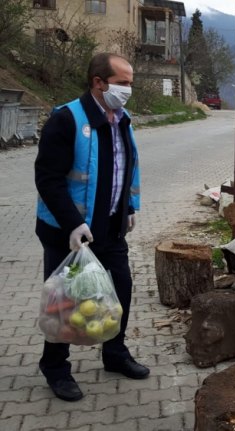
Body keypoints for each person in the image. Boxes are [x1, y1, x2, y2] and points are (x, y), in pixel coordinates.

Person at [35, 52, 149, 402]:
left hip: (110, 228)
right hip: (67, 233)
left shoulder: (122, 119)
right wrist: (72, 223)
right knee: (65, 303)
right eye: (122, 83)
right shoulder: (67, 119)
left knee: (121, 290)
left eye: (130, 83)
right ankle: (55, 367)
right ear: (98, 82)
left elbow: (126, 168)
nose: (128, 90)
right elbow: (48, 179)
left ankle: (115, 354)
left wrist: (129, 207)